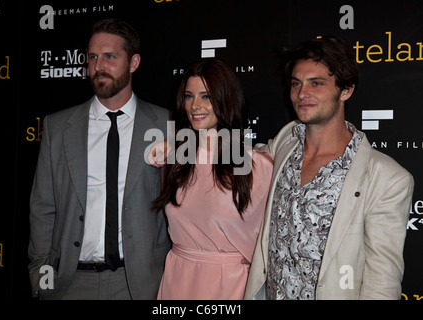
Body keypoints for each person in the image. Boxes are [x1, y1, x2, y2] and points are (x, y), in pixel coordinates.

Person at [244, 36, 414, 300]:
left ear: (345, 90)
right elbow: (240, 156)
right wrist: (178, 144)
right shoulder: (286, 140)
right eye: (296, 84)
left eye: (317, 83)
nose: (302, 94)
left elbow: (383, 280)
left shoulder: (387, 179)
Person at [28, 18, 171, 299]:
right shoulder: (58, 127)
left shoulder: (166, 125)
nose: (98, 66)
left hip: (139, 285)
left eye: (110, 57)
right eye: (92, 57)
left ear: (134, 63)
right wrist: (39, 275)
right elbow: (43, 207)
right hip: (69, 282)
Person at [151, 59, 273, 300]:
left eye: (206, 96)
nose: (195, 105)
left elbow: (267, 241)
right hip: (177, 279)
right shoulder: (177, 159)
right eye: (189, 96)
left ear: (225, 99)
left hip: (229, 286)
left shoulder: (256, 166)